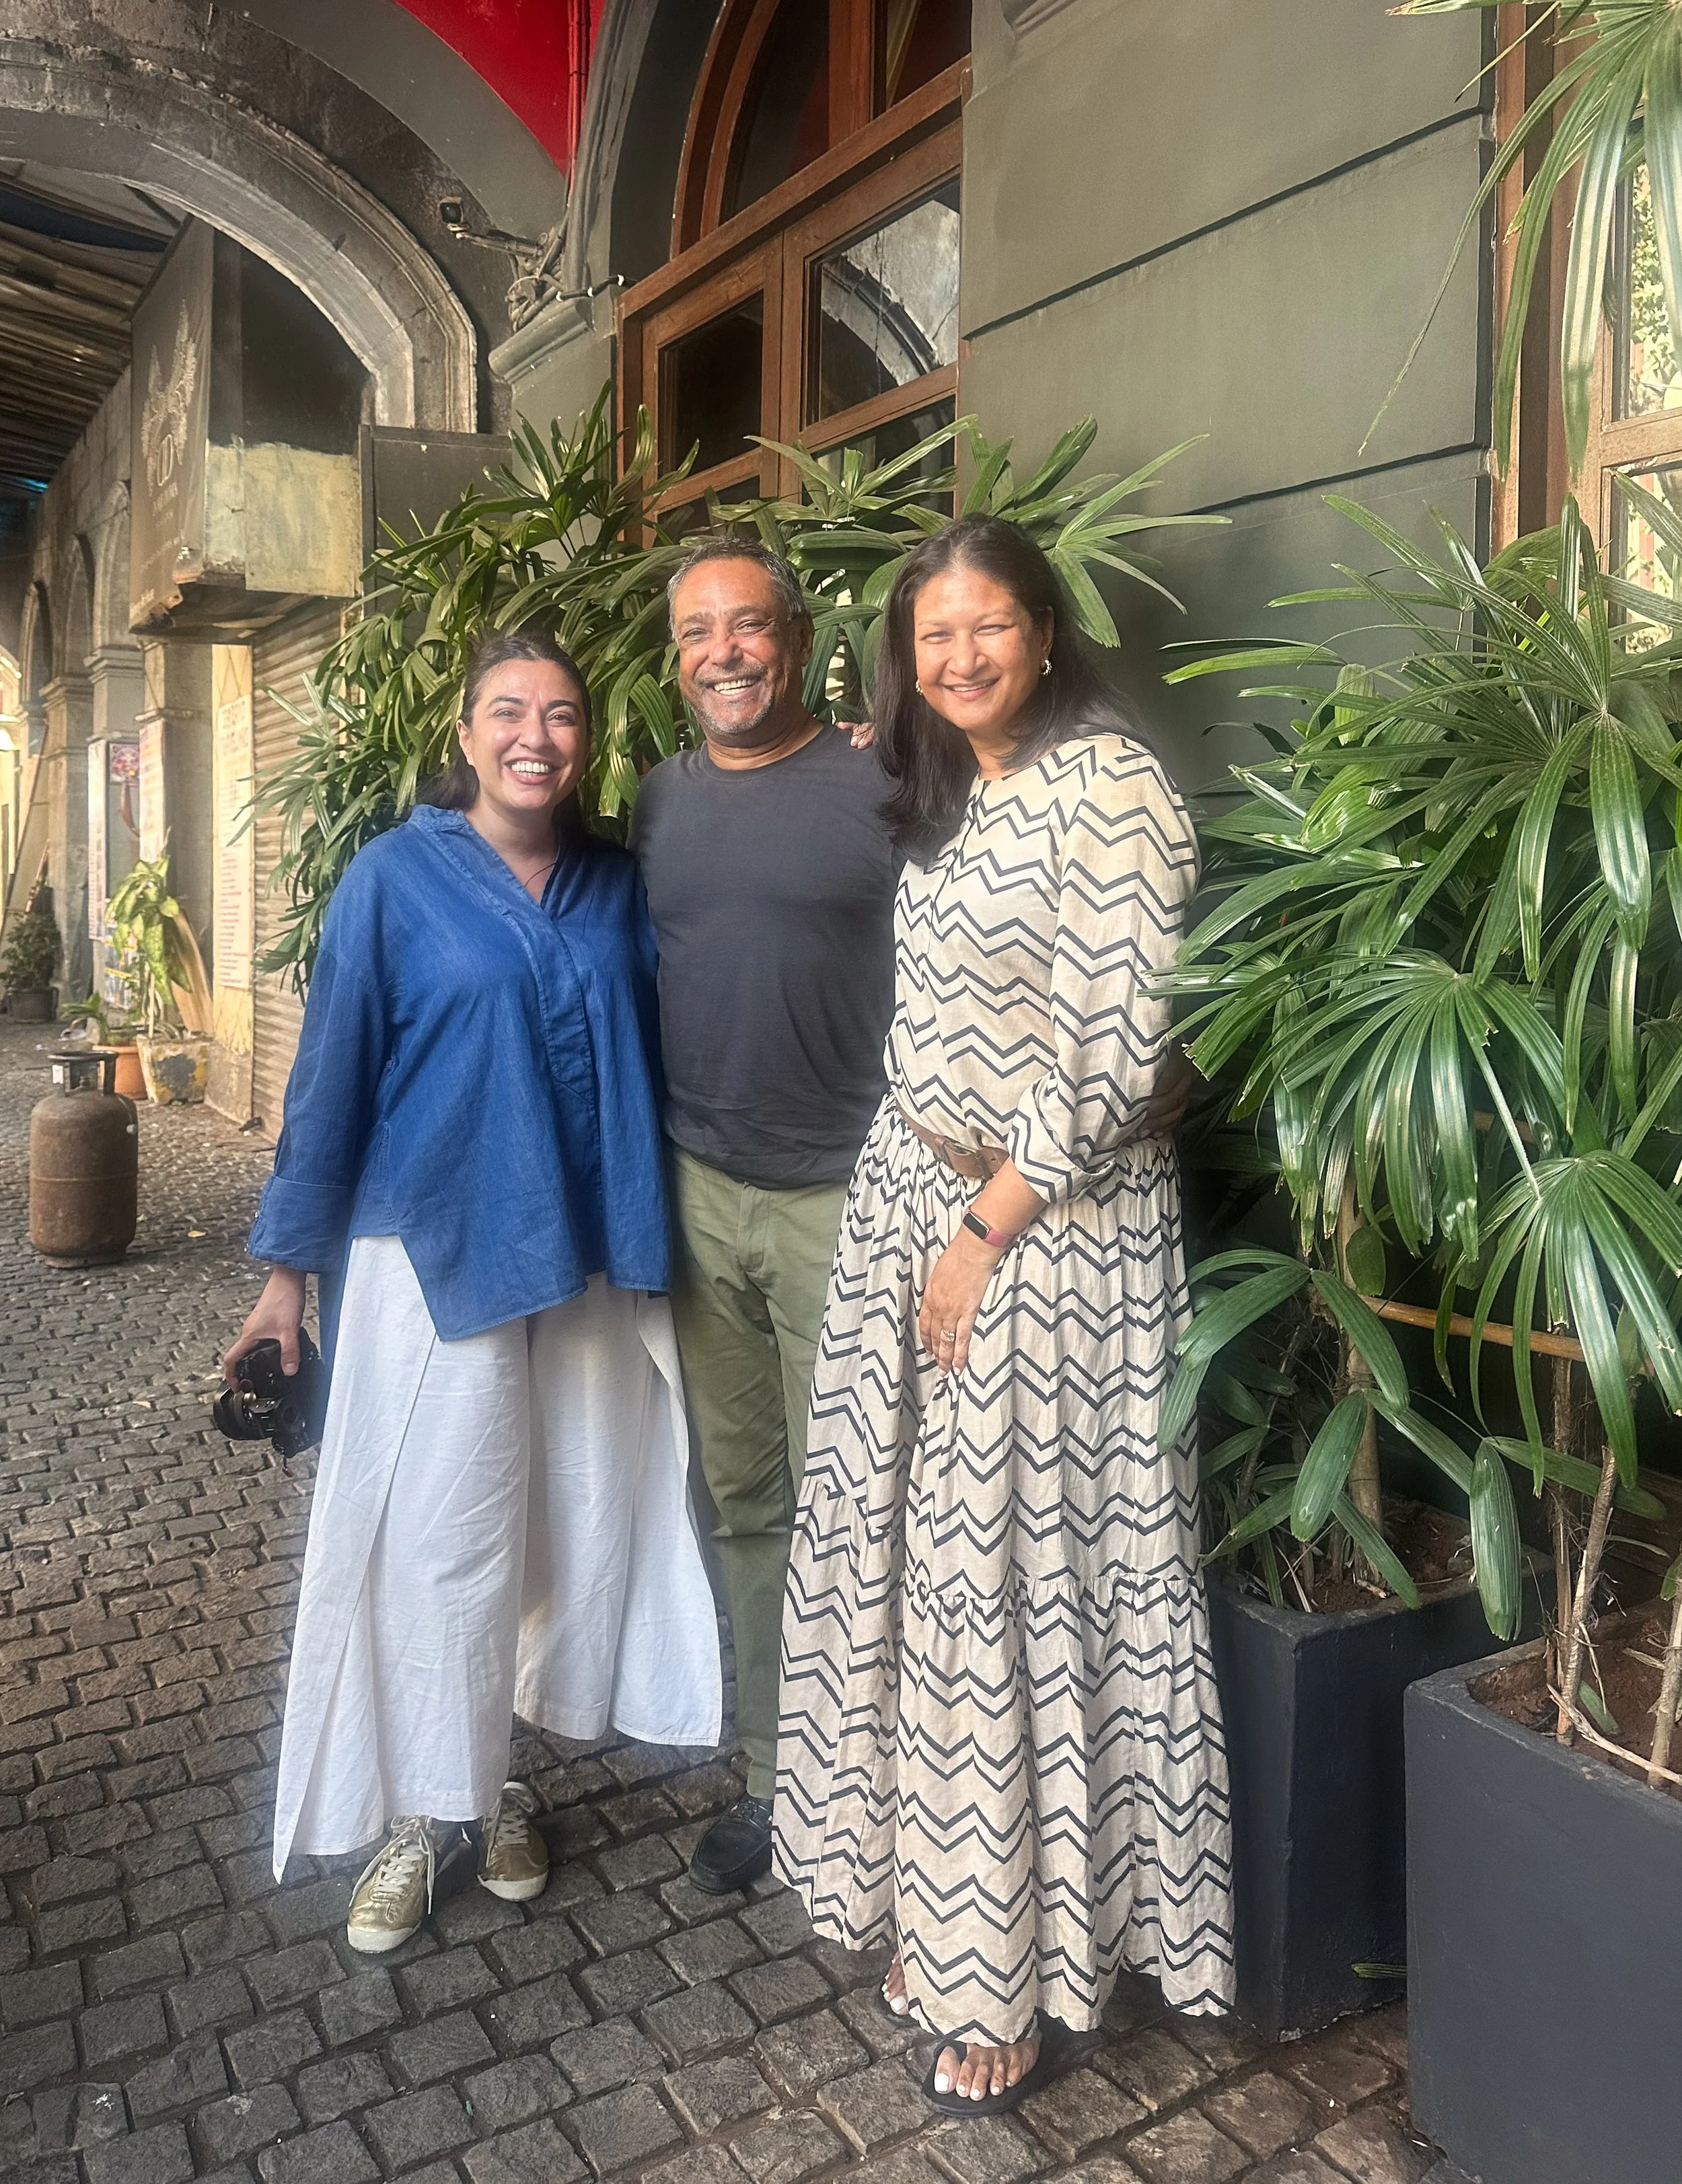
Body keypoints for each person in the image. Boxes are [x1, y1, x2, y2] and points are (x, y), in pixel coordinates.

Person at [774, 517, 1237, 2113]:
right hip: (916, 1194)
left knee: (1007, 1592)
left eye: (987, 626)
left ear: (1044, 630)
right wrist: (917, 1208)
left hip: (1045, 1236)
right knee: (911, 1575)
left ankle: (1014, 1972)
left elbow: (1111, 1055)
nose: (959, 655)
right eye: (932, 635)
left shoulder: (1114, 787)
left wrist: (979, 1232)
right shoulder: (952, 787)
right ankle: (945, 1908)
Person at [228, 629, 721, 1953]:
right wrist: (285, 1279)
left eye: (561, 715)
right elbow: (328, 1081)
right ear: (463, 734)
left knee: (558, 1520)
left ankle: (489, 1781)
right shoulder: (391, 881)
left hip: (588, 1252)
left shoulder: (617, 882)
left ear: (584, 742)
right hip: (435, 1255)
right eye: (508, 711)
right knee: (435, 1537)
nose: (534, 738)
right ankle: (416, 1815)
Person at [629, 538, 900, 1892]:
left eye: (746, 627)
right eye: (698, 633)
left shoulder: (884, 783)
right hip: (697, 1190)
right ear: (676, 659)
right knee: (744, 1499)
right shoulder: (657, 800)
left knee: (862, 1505)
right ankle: (772, 1775)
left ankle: (885, 1793)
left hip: (842, 1197)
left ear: (795, 640)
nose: (723, 653)